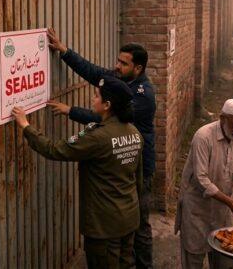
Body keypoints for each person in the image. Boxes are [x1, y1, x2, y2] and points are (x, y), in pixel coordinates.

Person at [45, 28, 157, 268]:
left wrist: (70, 110)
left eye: (123, 63)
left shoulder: (143, 95)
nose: (116, 66)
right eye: (117, 60)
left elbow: (108, 116)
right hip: (120, 162)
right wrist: (65, 51)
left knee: (139, 225)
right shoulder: (121, 80)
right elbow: (94, 72)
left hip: (137, 167)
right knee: (127, 226)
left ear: (138, 68)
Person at [13, 75, 143, 269]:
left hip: (103, 226)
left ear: (107, 105)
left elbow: (55, 149)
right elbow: (137, 180)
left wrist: (26, 126)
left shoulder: (99, 137)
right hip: (128, 218)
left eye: (96, 96)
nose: (92, 99)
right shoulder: (134, 132)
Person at [175, 99, 233, 268]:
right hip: (197, 209)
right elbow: (201, 179)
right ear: (222, 118)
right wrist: (231, 202)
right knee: (194, 257)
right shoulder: (203, 136)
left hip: (222, 212)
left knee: (222, 258)